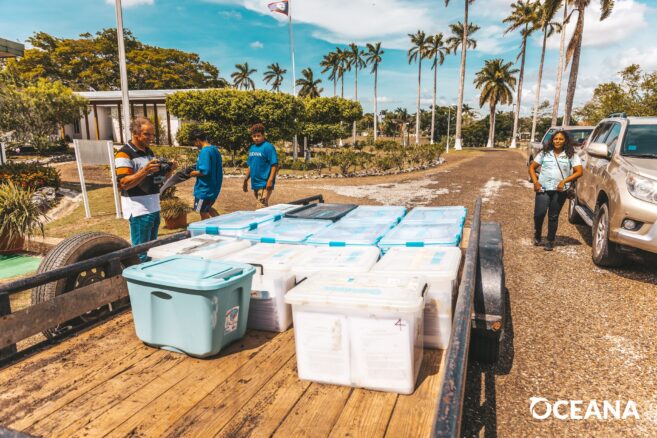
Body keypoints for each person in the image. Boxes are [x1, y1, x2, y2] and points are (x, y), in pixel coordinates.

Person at [115, 117, 175, 261]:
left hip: (154, 206)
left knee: (152, 250)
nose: (151, 138)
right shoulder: (124, 153)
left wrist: (169, 170)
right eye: (147, 134)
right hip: (139, 209)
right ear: (135, 133)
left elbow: (158, 180)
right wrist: (145, 170)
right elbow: (123, 183)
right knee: (140, 253)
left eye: (152, 134)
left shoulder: (149, 152)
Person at [529, 130, 583, 251]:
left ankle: (550, 240)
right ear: (552, 140)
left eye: (561, 139)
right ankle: (537, 234)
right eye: (555, 139)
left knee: (553, 216)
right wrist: (536, 182)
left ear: (565, 141)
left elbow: (579, 172)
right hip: (543, 188)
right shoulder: (544, 153)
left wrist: (564, 181)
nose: (558, 141)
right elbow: (532, 167)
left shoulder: (571, 155)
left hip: (560, 190)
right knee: (539, 214)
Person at [188, 128, 223, 219]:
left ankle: (207, 228)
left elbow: (204, 171)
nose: (195, 145)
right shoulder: (214, 149)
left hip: (204, 190)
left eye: (194, 143)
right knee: (208, 208)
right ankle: (222, 223)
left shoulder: (205, 151)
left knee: (202, 212)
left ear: (197, 140)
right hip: (213, 188)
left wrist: (192, 173)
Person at [243, 123, 279, 207]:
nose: (256, 138)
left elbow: (274, 165)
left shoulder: (268, 147)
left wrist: (270, 180)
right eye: (254, 136)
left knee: (261, 207)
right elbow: (250, 166)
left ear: (263, 135)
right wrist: (245, 180)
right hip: (255, 183)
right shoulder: (252, 148)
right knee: (262, 208)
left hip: (264, 183)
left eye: (258, 136)